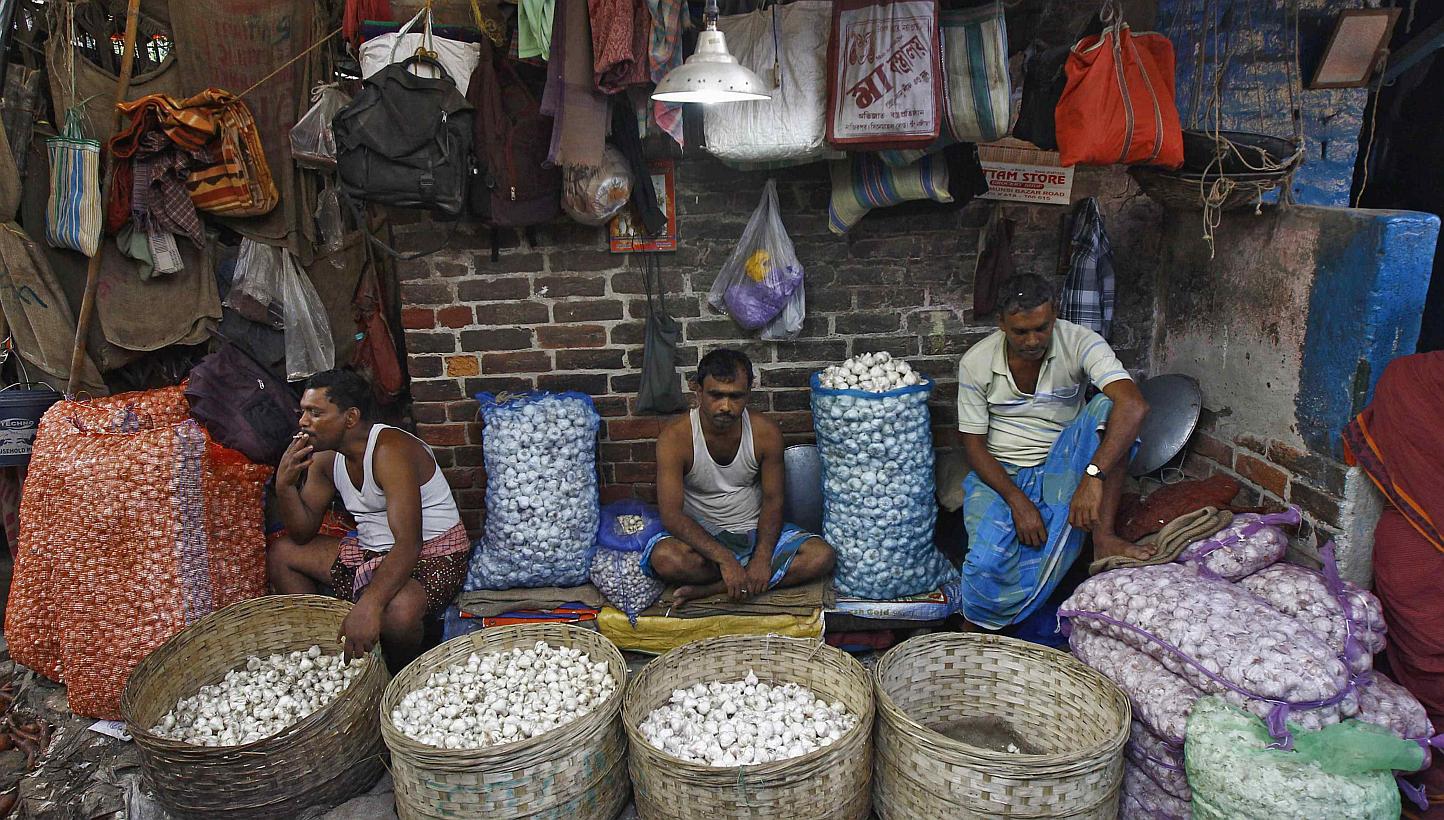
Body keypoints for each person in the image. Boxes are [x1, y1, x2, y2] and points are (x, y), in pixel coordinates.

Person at [955, 274, 1150, 630]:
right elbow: (972, 444)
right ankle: (979, 629)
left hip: (1063, 461)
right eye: (1020, 333)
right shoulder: (976, 362)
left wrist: (1093, 477)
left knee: (1111, 409)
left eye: (1041, 328)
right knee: (985, 565)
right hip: (1003, 470)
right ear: (1001, 324)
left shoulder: (1080, 341)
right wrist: (1018, 501)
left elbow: (1133, 406)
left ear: (1055, 315)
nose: (1033, 341)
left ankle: (1103, 538)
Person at [267, 369, 469, 670]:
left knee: (398, 611)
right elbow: (302, 533)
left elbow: (408, 543)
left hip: (433, 554)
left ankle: (397, 672)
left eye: (315, 413)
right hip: (371, 552)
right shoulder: (326, 457)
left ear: (350, 418)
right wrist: (284, 486)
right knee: (282, 553)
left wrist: (370, 605)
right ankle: (323, 653)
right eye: (303, 412)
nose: (303, 422)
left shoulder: (390, 451)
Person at [643, 348, 836, 607]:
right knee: (666, 559)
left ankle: (717, 588)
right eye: (716, 395)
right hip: (704, 544)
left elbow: (773, 500)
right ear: (697, 390)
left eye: (735, 396)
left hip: (754, 532)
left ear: (749, 392)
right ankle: (739, 579)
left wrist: (762, 558)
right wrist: (725, 559)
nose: (725, 406)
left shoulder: (764, 432)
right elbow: (671, 515)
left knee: (820, 556)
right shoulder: (675, 438)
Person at [1342, 352, 1444, 817]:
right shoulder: (1417, 379)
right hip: (1418, 558)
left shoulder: (1411, 377)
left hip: (1411, 547)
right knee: (1427, 667)